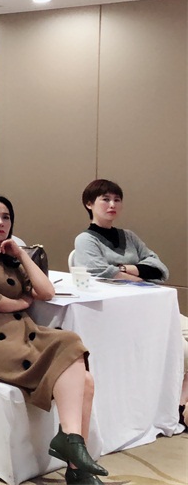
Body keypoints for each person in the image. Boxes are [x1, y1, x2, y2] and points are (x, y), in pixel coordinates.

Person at [0, 196, 105, 484]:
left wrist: (21, 255)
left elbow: (46, 291)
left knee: (85, 379)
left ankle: (76, 463)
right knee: (70, 343)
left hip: (22, 334)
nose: (0, 222)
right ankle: (73, 452)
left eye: (6, 217)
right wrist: (23, 301)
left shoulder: (7, 256)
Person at [73, 179, 184, 426]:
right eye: (105, 199)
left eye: (117, 200)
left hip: (149, 306)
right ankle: (179, 406)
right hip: (117, 313)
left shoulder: (129, 237)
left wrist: (124, 269)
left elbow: (160, 269)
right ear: (89, 204)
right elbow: (99, 272)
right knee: (182, 348)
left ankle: (181, 403)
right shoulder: (85, 240)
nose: (112, 205)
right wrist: (139, 272)